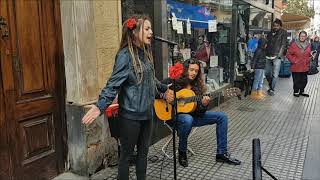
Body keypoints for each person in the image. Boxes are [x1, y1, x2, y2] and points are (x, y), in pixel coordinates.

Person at [82, 15, 169, 180]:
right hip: (130, 116)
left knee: (143, 154)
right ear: (135, 32)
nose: (151, 32)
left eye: (151, 28)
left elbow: (151, 79)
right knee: (127, 156)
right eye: (147, 28)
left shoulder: (145, 53)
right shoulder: (124, 56)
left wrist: (165, 88)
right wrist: (100, 105)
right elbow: (112, 85)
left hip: (147, 114)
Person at [162, 58, 241, 167]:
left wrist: (203, 105)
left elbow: (199, 112)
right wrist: (164, 95)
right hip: (173, 116)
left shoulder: (198, 87)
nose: (194, 73)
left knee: (222, 117)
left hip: (192, 117)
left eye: (196, 71)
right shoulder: (174, 80)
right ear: (185, 69)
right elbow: (156, 90)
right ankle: (182, 151)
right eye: (191, 70)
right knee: (187, 119)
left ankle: (221, 153)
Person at [265, 19, 288, 96]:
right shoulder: (270, 33)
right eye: (274, 26)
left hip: (277, 56)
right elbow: (267, 43)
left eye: (277, 26)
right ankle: (271, 85)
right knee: (267, 73)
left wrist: (279, 55)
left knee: (275, 74)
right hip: (268, 55)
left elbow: (283, 45)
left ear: (280, 26)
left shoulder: (283, 33)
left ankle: (272, 89)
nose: (275, 27)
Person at [286, 31, 311, 97]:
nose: (302, 37)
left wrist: (309, 59)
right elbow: (288, 54)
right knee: (296, 80)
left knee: (304, 80)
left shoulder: (308, 45)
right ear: (299, 36)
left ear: (306, 37)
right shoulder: (294, 44)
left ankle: (302, 91)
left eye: (304, 36)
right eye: (301, 36)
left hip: (305, 65)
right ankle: (296, 91)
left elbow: (309, 54)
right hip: (296, 65)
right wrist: (294, 61)